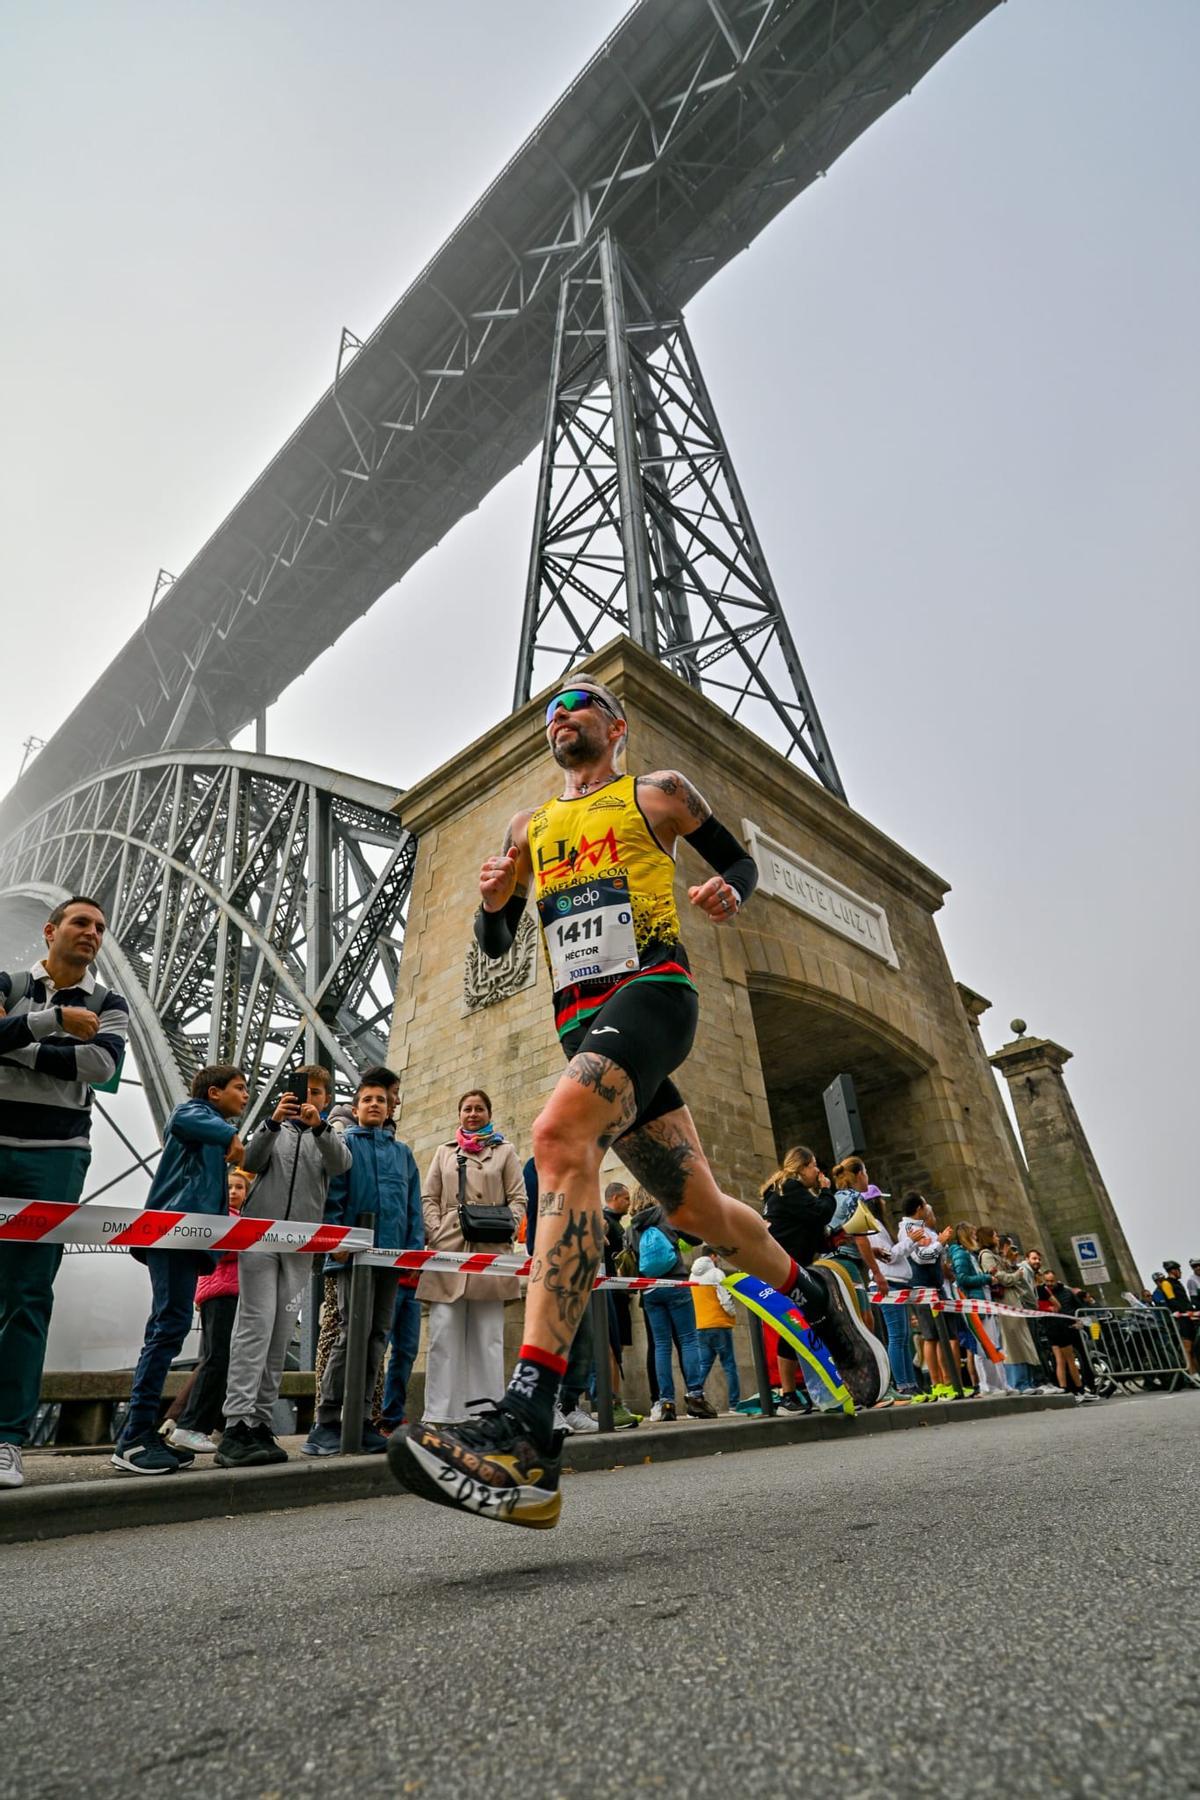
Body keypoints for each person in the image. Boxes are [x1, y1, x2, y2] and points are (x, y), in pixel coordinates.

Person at [390, 675, 886, 1529]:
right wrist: (492, 904)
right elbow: (500, 938)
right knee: (696, 1211)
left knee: (554, 1138)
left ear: (614, 726)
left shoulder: (656, 793)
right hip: (583, 1026)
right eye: (551, 712)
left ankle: (529, 1422)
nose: (562, 719)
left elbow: (737, 858)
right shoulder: (529, 827)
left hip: (654, 995)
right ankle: (814, 1294)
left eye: (579, 706)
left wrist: (733, 890)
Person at [0, 897, 130, 1492]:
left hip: (56, 1159)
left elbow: (101, 1070)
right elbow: (75, 1057)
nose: (93, 934)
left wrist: (16, 1043)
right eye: (81, 923)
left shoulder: (110, 1003)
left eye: (100, 928)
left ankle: (7, 1440)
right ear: (50, 931)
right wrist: (54, 1027)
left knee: (27, 1297)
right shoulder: (7, 981)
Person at [112, 1065, 249, 1475]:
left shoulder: (208, 1128)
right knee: (167, 1328)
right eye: (239, 1089)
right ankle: (134, 1438)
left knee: (168, 1327)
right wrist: (232, 1139)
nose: (245, 1096)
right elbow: (186, 1118)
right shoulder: (192, 1113)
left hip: (187, 1239)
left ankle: (142, 1435)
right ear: (212, 1093)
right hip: (173, 1233)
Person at [215, 1064, 351, 1467]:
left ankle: (258, 1422)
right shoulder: (272, 1127)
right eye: (303, 1091)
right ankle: (236, 1423)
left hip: (299, 1245)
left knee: (277, 1337)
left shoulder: (329, 1135)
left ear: (326, 1100)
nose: (308, 1098)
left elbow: (342, 1165)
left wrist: (319, 1128)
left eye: (316, 1093)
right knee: (254, 1328)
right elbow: (250, 1163)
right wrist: (273, 1123)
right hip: (259, 1239)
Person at [302, 1078, 421, 1456]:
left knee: (377, 1337)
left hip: (390, 1259)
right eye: (367, 1099)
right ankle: (326, 1422)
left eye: (381, 1100)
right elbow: (333, 1193)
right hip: (353, 1257)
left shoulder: (403, 1153)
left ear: (389, 1108)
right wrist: (337, 1239)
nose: (374, 1104)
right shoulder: (346, 1145)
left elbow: (412, 1207)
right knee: (349, 1335)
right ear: (356, 1108)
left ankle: (364, 1420)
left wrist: (414, 1253)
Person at [418, 1090, 525, 1427]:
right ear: (459, 1114)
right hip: (449, 1247)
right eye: (467, 1109)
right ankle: (441, 1412)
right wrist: (435, 1231)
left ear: (489, 1113)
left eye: (479, 1109)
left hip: (490, 1249)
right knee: (442, 1333)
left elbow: (519, 1197)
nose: (473, 1114)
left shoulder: (505, 1151)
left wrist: (507, 1227)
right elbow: (428, 1196)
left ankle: (485, 1411)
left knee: (488, 1336)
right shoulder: (444, 1153)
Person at [164, 1168, 251, 1453]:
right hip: (220, 1293)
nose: (235, 1192)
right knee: (217, 1358)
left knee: (224, 1358)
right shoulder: (220, 1216)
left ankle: (214, 1424)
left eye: (240, 1187)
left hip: (230, 1293)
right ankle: (192, 1425)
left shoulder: (237, 1217)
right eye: (230, 1187)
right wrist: (249, 1241)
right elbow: (218, 1250)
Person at [627, 1187, 715, 1422]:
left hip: (650, 1290)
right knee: (688, 1339)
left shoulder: (632, 1227)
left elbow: (631, 1257)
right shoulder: (667, 1215)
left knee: (661, 1346)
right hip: (675, 1284)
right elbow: (695, 1239)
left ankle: (666, 1402)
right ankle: (696, 1396)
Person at [898, 1195, 956, 1398]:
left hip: (934, 1286)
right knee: (931, 1337)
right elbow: (922, 1257)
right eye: (924, 1206)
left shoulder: (918, 1228)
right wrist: (940, 1242)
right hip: (922, 1288)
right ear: (919, 1208)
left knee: (941, 1336)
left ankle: (948, 1382)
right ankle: (937, 1383)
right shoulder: (909, 1229)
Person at [977, 1226, 1040, 1393]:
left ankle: (1026, 1382)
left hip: (1013, 1302)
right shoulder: (986, 1256)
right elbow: (1000, 1278)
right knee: (1012, 1344)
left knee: (1021, 1342)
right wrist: (1016, 1276)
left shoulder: (996, 1255)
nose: (997, 1238)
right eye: (995, 1235)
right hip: (1005, 1303)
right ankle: (1017, 1382)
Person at [947, 1223, 1007, 1395]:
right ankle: (988, 1386)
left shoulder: (969, 1254)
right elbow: (963, 1278)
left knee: (994, 1345)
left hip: (984, 1302)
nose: (976, 1237)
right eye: (973, 1234)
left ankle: (1002, 1384)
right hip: (975, 1303)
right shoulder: (960, 1254)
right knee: (983, 1347)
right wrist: (987, 1278)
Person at [690, 1246, 741, 1412]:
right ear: (713, 1256)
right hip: (720, 1324)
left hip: (702, 1325)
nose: (718, 1259)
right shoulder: (716, 1273)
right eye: (717, 1256)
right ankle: (734, 1404)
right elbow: (725, 1299)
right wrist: (733, 1313)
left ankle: (694, 1397)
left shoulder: (692, 1275)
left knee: (703, 1365)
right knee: (729, 1365)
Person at [1152, 1261, 1198, 1376]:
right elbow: (1172, 1300)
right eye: (1179, 1270)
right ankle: (1191, 1374)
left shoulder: (1178, 1283)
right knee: (1187, 1346)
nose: (1180, 1272)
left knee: (1194, 1346)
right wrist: (1185, 1311)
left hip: (1188, 1316)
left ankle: (1196, 1371)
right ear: (1173, 1271)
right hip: (1182, 1318)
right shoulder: (1166, 1283)